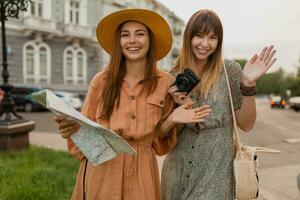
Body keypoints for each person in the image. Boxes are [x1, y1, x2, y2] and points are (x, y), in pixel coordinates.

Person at [54, 9, 211, 200]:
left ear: (150, 40)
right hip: (103, 170)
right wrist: (71, 128)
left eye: (140, 34)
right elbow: (84, 133)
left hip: (142, 171)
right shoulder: (101, 81)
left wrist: (171, 119)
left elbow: (159, 143)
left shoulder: (166, 82)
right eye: (125, 35)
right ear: (118, 42)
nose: (132, 40)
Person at [161, 9, 276, 200]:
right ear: (188, 37)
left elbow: (246, 125)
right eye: (199, 36)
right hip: (177, 174)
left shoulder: (230, 70)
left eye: (212, 38)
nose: (205, 44)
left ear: (219, 42)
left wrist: (249, 84)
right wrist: (182, 108)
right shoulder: (171, 77)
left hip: (217, 175)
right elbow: (167, 135)